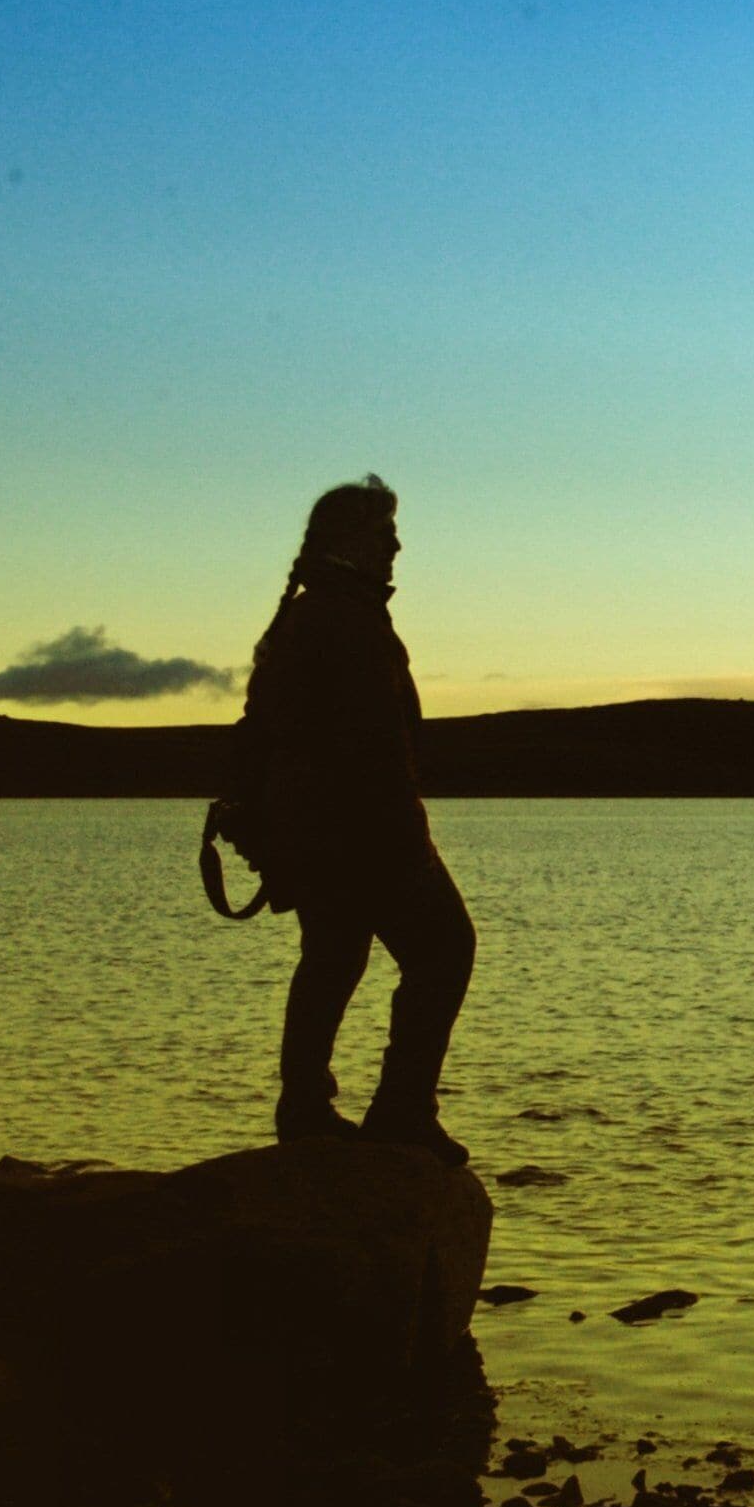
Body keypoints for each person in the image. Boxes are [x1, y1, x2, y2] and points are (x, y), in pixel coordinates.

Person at [239, 475, 474, 1162]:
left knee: (334, 957)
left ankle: (306, 1109)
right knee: (444, 950)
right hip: (359, 833)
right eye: (384, 531)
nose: (397, 543)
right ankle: (400, 1109)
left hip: (315, 832)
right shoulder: (343, 620)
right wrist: (409, 844)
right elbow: (371, 749)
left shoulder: (314, 615)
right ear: (349, 542)